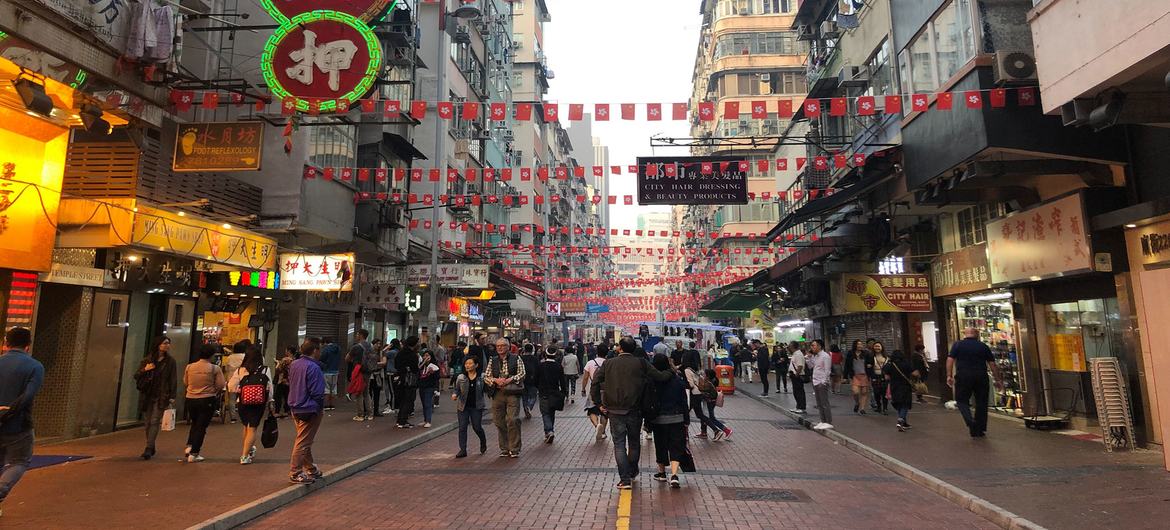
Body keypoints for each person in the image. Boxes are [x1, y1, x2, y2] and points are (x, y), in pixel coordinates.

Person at [590, 337, 673, 490]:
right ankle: (633, 471)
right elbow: (660, 377)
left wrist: (599, 404)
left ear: (620, 348)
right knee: (634, 443)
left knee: (619, 444)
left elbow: (595, 382)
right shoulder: (641, 363)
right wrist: (671, 370)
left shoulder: (608, 363)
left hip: (614, 410)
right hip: (635, 409)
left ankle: (625, 479)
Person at [0, 327, 44, 514]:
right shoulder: (35, 367)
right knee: (19, 461)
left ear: (6, 343)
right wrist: (9, 411)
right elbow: (28, 395)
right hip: (18, 424)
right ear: (28, 345)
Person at [947, 328, 1002, 438]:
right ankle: (979, 429)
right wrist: (997, 379)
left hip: (963, 376)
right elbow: (992, 364)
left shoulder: (958, 345)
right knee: (981, 402)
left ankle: (970, 421)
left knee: (961, 400)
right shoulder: (983, 346)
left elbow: (950, 360)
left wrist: (949, 375)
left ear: (965, 335)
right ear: (976, 335)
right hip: (981, 376)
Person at [227, 345, 273, 464]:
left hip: (242, 402)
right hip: (259, 403)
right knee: (252, 428)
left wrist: (239, 390)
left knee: (246, 426)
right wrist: (270, 401)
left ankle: (249, 449)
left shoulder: (240, 370)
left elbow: (230, 386)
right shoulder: (265, 369)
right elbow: (270, 388)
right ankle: (244, 456)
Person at [287, 340, 325, 484]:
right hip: (309, 408)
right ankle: (295, 472)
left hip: (295, 406)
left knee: (303, 439)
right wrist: (319, 407)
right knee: (303, 441)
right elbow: (317, 392)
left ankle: (311, 468)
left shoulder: (294, 364)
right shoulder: (314, 367)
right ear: (315, 350)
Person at [649, 354, 688, 489]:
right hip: (677, 417)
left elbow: (648, 401)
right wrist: (686, 418)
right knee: (675, 445)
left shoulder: (652, 380)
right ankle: (674, 475)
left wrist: (647, 420)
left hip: (658, 419)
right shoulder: (677, 380)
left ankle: (661, 473)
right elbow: (683, 400)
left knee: (660, 445)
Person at [134, 336, 176, 460]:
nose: (167, 346)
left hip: (161, 395)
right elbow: (136, 376)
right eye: (165, 343)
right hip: (147, 394)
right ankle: (151, 446)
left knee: (154, 421)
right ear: (158, 345)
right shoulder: (147, 360)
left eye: (168, 343)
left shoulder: (170, 361)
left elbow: (173, 379)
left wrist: (172, 395)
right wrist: (145, 370)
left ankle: (148, 448)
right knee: (147, 422)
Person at [183, 344, 226, 463]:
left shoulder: (189, 367)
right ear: (212, 355)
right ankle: (194, 453)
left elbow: (185, 382)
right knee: (201, 426)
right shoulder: (214, 368)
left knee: (195, 423)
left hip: (190, 398)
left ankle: (190, 446)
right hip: (207, 399)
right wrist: (213, 390)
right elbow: (221, 384)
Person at [485, 338, 525, 457]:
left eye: (503, 346)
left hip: (512, 392)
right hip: (497, 393)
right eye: (498, 346)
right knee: (498, 421)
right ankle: (504, 448)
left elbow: (522, 373)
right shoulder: (493, 360)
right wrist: (496, 380)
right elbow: (486, 376)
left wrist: (509, 380)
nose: (500, 348)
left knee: (513, 420)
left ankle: (514, 448)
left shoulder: (516, 358)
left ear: (508, 347)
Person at [451, 357, 487, 458]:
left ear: (476, 365)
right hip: (463, 407)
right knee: (462, 427)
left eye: (470, 363)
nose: (467, 365)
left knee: (477, 427)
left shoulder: (482, 377)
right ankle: (463, 449)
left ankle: (483, 441)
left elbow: (488, 389)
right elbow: (456, 389)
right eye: (466, 363)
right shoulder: (461, 377)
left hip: (476, 406)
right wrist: (455, 395)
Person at [535, 346, 568, 443]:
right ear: (556, 355)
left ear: (545, 354)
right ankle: (549, 431)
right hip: (555, 392)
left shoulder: (541, 366)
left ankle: (549, 431)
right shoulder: (558, 366)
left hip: (543, 392)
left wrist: (538, 387)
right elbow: (562, 381)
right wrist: (564, 392)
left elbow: (536, 379)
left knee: (545, 413)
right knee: (551, 413)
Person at [346, 329, 377, 422]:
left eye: (357, 334)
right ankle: (370, 414)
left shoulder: (356, 347)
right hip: (368, 371)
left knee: (359, 393)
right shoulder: (370, 346)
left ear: (361, 335)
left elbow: (347, 359)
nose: (356, 335)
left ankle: (360, 414)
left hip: (359, 371)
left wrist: (354, 361)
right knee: (366, 393)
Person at [886, 350, 920, 432]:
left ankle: (904, 423)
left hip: (894, 386)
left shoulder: (889, 365)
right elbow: (915, 373)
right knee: (905, 404)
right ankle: (900, 420)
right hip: (905, 386)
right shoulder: (906, 364)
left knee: (898, 404)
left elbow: (887, 377)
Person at [580, 350, 608, 441]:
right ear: (607, 353)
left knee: (591, 409)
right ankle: (603, 432)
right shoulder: (608, 362)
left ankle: (597, 426)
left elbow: (585, 378)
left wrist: (583, 389)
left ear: (596, 353)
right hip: (606, 389)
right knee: (604, 411)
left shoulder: (590, 363)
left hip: (594, 389)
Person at [394, 337, 421, 429]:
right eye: (418, 342)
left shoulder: (400, 353)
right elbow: (415, 369)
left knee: (401, 399)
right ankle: (403, 420)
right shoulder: (413, 355)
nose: (419, 344)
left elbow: (396, 365)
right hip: (409, 380)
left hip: (400, 378)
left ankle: (399, 420)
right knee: (408, 400)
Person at [683, 362, 713, 439]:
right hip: (698, 393)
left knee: (686, 414)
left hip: (693, 394)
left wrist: (684, 385)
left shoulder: (687, 370)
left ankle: (685, 434)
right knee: (700, 414)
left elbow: (691, 385)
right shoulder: (696, 369)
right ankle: (713, 430)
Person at [808, 340, 834, 430]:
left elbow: (827, 370)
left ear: (819, 346)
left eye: (813, 345)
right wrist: (809, 358)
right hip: (815, 381)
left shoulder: (825, 356)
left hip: (821, 382)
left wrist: (824, 381)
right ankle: (823, 420)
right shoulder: (816, 356)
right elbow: (811, 366)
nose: (812, 347)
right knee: (819, 403)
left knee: (824, 402)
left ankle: (828, 421)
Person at [700, 369, 731, 439]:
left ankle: (726, 430)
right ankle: (724, 431)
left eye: (704, 374)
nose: (703, 375)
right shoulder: (713, 381)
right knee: (710, 417)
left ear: (708, 376)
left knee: (711, 418)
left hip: (710, 402)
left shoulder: (709, 383)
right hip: (711, 401)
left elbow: (704, 391)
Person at [416, 351, 440, 428]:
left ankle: (428, 421)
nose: (425, 357)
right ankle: (425, 420)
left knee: (428, 403)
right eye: (424, 355)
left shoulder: (434, 366)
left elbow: (437, 377)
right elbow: (418, 370)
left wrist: (432, 373)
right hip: (422, 386)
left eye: (427, 355)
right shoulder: (423, 365)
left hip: (430, 387)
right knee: (423, 404)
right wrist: (423, 363)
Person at [319, 337, 340, 411]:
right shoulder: (338, 349)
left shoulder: (326, 349)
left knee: (326, 389)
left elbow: (321, 359)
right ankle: (332, 405)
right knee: (333, 389)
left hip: (327, 371)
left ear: (325, 342)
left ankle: (327, 405)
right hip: (336, 371)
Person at [519, 344, 539, 420]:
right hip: (533, 380)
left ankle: (526, 409)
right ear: (532, 350)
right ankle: (529, 407)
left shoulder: (520, 358)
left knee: (524, 396)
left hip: (523, 380)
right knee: (533, 396)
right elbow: (538, 369)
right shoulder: (535, 358)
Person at [273, 347, 295, 418]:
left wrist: (277, 363)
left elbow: (279, 369)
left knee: (278, 396)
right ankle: (286, 411)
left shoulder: (285, 359)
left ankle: (277, 411)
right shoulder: (295, 360)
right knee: (287, 396)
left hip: (281, 380)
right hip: (289, 381)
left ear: (289, 351)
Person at [381, 339, 401, 415]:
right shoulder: (399, 351)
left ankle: (392, 407)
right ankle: (395, 406)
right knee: (395, 390)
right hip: (396, 372)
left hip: (391, 373)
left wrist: (387, 347)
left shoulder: (392, 352)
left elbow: (383, 352)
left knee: (392, 391)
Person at [787, 342, 807, 414]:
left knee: (799, 392)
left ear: (793, 347)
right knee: (796, 392)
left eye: (789, 346)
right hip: (794, 375)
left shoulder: (798, 354)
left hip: (797, 376)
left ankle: (802, 407)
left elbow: (800, 366)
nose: (788, 348)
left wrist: (796, 374)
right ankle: (798, 406)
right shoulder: (795, 354)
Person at [871, 341, 890, 415]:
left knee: (884, 393)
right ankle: (879, 406)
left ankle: (885, 408)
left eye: (878, 346)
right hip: (875, 377)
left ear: (882, 347)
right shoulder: (871, 356)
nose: (877, 348)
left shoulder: (886, 357)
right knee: (876, 392)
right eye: (875, 346)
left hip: (884, 377)